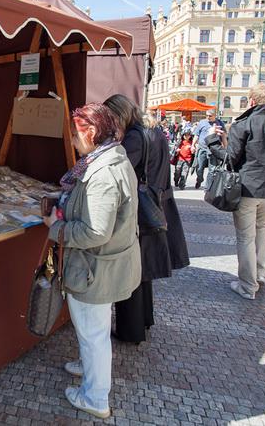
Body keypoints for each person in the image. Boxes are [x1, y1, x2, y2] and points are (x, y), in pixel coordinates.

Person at [43, 102, 141, 419]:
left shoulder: (103, 173)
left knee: (94, 334)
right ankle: (88, 365)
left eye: (75, 134)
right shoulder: (111, 158)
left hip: (95, 267)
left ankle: (95, 398)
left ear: (92, 132)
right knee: (92, 331)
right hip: (100, 265)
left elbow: (95, 232)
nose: (72, 140)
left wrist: (56, 228)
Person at [103, 94, 189, 344]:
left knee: (129, 271)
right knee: (142, 270)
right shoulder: (154, 131)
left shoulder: (134, 137)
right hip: (156, 204)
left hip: (140, 210)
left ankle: (130, 330)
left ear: (118, 115)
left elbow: (120, 172)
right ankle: (144, 319)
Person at [206, 84, 265, 300]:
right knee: (260, 230)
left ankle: (248, 286)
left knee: (246, 237)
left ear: (251, 101)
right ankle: (259, 275)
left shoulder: (243, 125)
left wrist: (212, 140)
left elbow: (230, 159)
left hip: (248, 190)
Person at [191, 109, 225, 189]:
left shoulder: (220, 123)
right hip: (202, 148)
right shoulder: (202, 122)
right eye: (206, 115)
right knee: (199, 168)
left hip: (214, 150)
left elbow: (223, 136)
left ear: (215, 116)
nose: (208, 117)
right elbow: (196, 135)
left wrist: (225, 147)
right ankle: (199, 179)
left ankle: (208, 187)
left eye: (210, 116)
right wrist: (193, 145)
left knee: (212, 170)